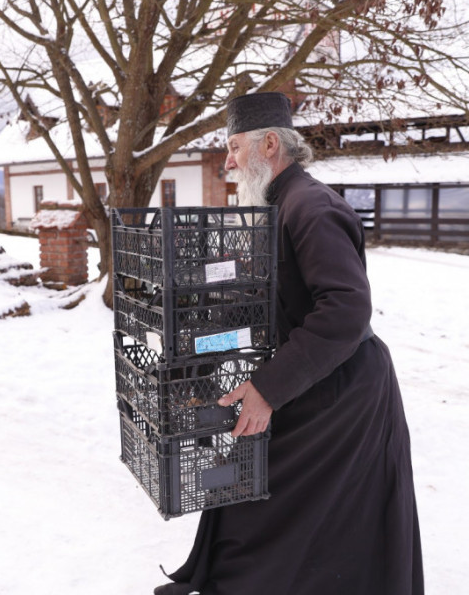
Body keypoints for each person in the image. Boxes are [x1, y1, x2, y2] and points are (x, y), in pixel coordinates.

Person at [154, 92, 424, 595]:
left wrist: (268, 389)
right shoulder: (276, 206)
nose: (228, 162)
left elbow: (345, 310)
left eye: (234, 147)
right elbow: (267, 297)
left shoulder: (312, 207)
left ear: (270, 145)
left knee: (294, 518)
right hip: (311, 382)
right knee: (254, 505)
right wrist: (199, 346)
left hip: (344, 394)